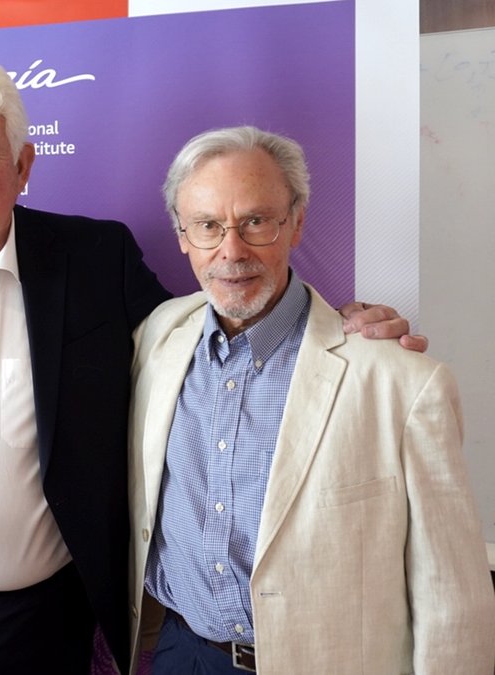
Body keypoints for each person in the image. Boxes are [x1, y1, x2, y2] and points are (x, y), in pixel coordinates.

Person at [0, 53, 422, 675]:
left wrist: (340, 327)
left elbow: (208, 335)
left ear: (24, 164)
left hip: (50, 616)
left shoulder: (94, 257)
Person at [128, 126, 495, 673]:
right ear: (182, 234)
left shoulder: (401, 382)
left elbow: (452, 596)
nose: (231, 251)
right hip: (182, 654)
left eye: (256, 221)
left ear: (296, 222)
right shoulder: (158, 337)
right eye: (207, 226)